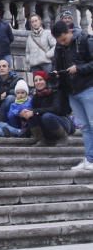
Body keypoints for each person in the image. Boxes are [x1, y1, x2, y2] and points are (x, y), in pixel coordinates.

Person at [51, 20, 93, 171]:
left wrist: (79, 68)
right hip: (72, 92)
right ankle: (89, 159)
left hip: (88, 88)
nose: (62, 43)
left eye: (64, 39)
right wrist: (57, 72)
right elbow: (57, 64)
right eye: (59, 41)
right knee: (85, 127)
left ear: (69, 31)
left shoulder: (84, 40)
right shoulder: (59, 47)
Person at [22, 70, 74, 145]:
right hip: (46, 127)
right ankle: (41, 139)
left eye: (41, 79)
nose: (38, 82)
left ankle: (63, 137)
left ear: (46, 81)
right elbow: (34, 111)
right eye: (36, 80)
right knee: (31, 115)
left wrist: (34, 111)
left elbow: (56, 109)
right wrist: (25, 114)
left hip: (62, 123)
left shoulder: (56, 92)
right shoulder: (36, 96)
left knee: (47, 116)